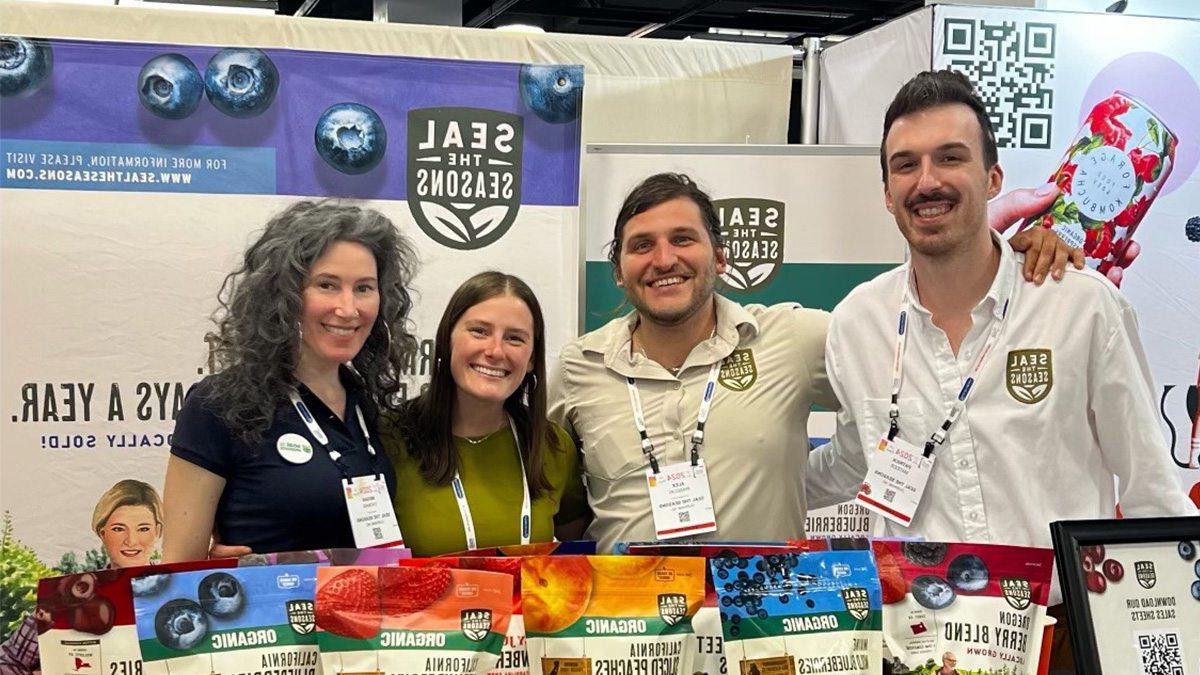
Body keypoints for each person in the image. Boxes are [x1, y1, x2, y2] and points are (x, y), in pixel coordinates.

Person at [807, 69, 1195, 667]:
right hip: (914, 642)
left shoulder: (1079, 305)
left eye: (950, 157)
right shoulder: (859, 321)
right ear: (887, 192)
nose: (926, 181)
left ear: (992, 179)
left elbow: (1151, 490)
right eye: (905, 165)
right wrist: (742, 492)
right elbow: (856, 459)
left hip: (1062, 638)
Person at [549, 171, 1079, 551]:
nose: (664, 259)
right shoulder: (579, 367)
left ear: (720, 256)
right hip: (631, 632)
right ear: (618, 268)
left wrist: (996, 258)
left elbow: (924, 347)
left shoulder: (793, 337)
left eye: (683, 239)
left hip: (764, 627)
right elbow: (555, 498)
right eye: (642, 245)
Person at [162, 200, 418, 561]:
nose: (348, 309)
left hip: (364, 612)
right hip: (268, 617)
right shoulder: (219, 404)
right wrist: (214, 572)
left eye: (364, 288)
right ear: (283, 294)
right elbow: (177, 570)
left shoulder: (363, 402)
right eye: (327, 285)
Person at [384, 272, 588, 556]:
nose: (495, 351)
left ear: (531, 359)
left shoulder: (554, 446)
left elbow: (576, 556)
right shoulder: (387, 438)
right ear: (446, 340)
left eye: (515, 338)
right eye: (479, 331)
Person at [0, 480, 164, 675]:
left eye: (143, 528)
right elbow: (7, 660)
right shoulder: (64, 599)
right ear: (102, 533)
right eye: (119, 529)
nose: (131, 540)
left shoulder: (184, 591)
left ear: (158, 531)